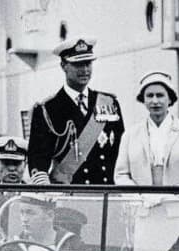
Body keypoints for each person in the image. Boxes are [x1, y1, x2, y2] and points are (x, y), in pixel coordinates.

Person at [27, 37, 124, 185]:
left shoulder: (109, 103)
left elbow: (120, 152)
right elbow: (38, 160)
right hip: (68, 196)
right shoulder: (47, 109)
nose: (85, 70)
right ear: (63, 65)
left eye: (88, 63)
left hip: (105, 193)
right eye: (78, 64)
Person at [113, 71, 179, 185]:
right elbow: (121, 175)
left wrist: (175, 194)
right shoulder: (130, 136)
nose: (155, 101)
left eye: (160, 95)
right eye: (149, 96)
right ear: (143, 100)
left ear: (170, 99)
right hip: (140, 202)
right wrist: (139, 197)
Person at [4, 194, 93, 251]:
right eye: (22, 212)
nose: (24, 219)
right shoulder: (12, 247)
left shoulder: (73, 245)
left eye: (30, 213)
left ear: (50, 215)